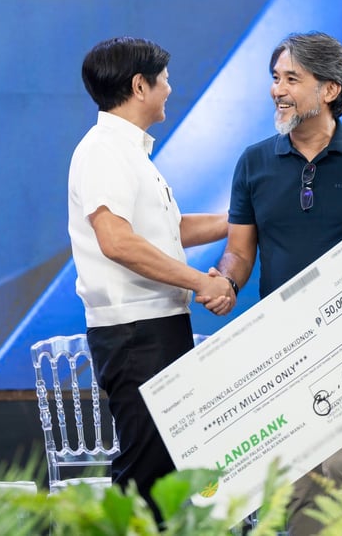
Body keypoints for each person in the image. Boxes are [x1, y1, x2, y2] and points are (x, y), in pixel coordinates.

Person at [215, 32, 342, 535]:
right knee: (296, 478)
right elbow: (240, 251)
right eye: (275, 79)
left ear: (329, 90)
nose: (277, 90)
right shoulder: (254, 161)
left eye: (292, 79)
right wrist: (225, 281)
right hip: (281, 344)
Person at [68, 36, 233, 520]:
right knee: (145, 471)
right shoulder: (102, 151)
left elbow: (169, 233)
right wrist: (201, 282)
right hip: (137, 334)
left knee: (165, 471)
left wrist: (239, 219)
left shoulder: (131, 153)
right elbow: (116, 240)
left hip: (157, 328)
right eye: (163, 79)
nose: (170, 88)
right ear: (139, 86)